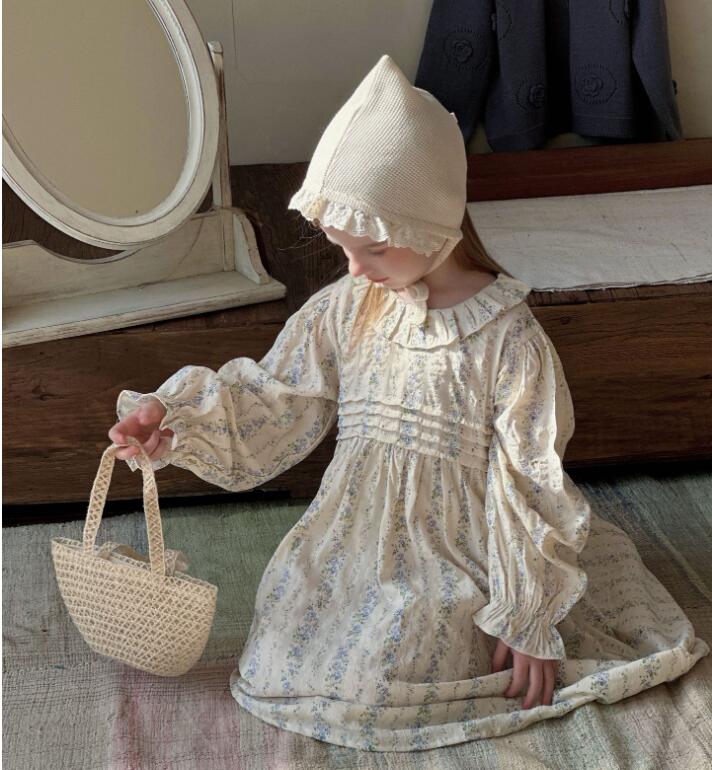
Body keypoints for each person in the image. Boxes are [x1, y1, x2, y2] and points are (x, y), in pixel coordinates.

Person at [108, 55, 709, 752]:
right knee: (285, 652)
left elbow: (529, 480)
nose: (355, 269)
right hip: (353, 535)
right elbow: (275, 394)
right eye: (342, 248)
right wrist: (176, 420)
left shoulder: (507, 339)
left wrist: (527, 614)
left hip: (463, 547)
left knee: (392, 667)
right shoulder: (347, 307)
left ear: (433, 227)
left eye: (373, 249)